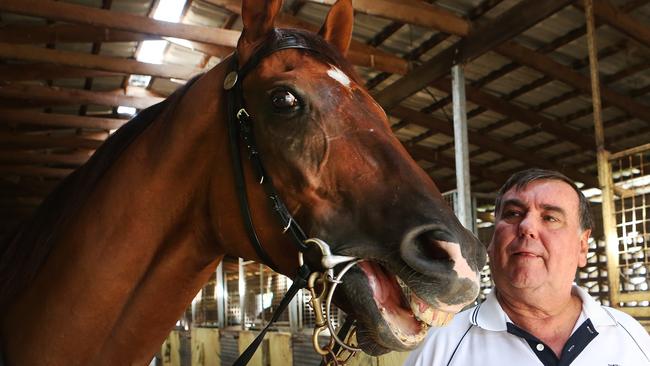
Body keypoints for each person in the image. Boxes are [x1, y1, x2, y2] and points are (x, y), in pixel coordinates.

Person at [405, 168, 650, 365]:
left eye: (550, 217)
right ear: (491, 242)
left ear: (583, 247)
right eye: (512, 214)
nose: (526, 227)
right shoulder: (442, 347)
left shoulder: (629, 336)